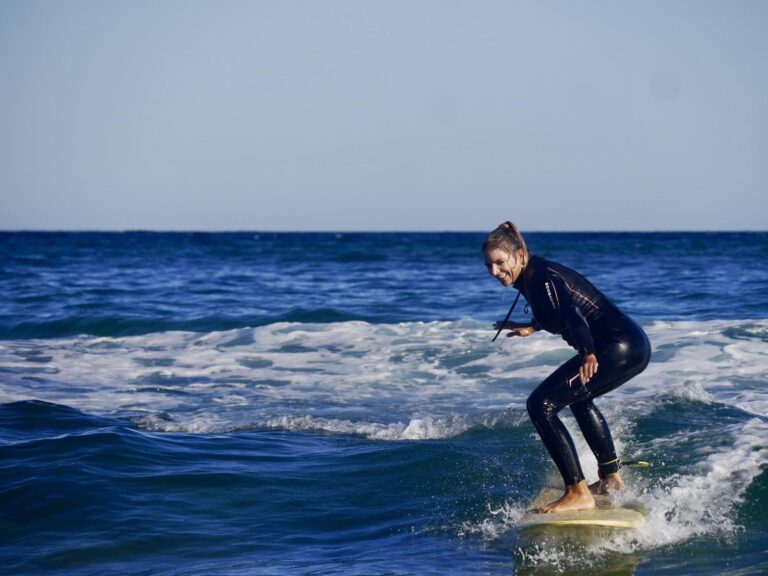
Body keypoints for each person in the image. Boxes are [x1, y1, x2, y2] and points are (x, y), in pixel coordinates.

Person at [482, 222, 651, 513]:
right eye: (489, 266)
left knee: (541, 404)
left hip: (615, 347)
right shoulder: (534, 274)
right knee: (577, 399)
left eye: (500, 263)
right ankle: (611, 478)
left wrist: (588, 354)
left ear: (520, 254)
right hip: (630, 345)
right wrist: (532, 327)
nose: (495, 272)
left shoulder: (540, 277)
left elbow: (573, 315)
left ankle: (577, 491)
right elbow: (558, 308)